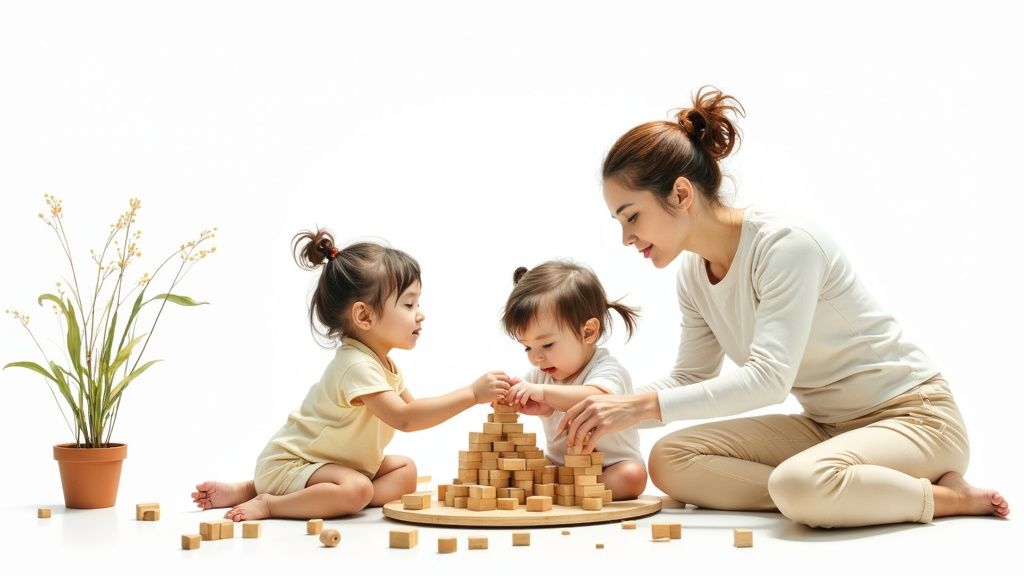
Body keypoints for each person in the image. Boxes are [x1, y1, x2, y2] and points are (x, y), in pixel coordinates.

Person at [556, 87, 1010, 528]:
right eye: (619, 222)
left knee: (800, 483)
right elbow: (690, 378)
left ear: (680, 193)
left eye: (632, 215)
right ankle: (843, 489)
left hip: (915, 417)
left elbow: (769, 380)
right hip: (828, 428)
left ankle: (941, 496)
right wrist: (595, 400)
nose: (626, 238)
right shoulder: (694, 276)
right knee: (670, 461)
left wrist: (636, 408)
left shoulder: (785, 246)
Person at [191, 230, 512, 521]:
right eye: (409, 303)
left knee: (405, 471)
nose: (420, 313)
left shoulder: (384, 365)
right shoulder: (356, 365)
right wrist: (471, 394)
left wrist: (479, 397)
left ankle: (296, 494)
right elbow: (405, 418)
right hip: (293, 464)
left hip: (338, 466)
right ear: (364, 316)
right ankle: (269, 502)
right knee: (357, 490)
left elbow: (416, 413)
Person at [502, 260, 647, 499]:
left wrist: (544, 394)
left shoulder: (608, 369)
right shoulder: (542, 372)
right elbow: (526, 390)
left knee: (632, 476)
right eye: (527, 347)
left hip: (610, 466)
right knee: (522, 466)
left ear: (588, 332)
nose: (536, 357)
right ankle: (565, 489)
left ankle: (569, 492)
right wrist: (509, 393)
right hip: (560, 466)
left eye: (547, 344)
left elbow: (596, 397)